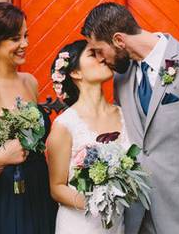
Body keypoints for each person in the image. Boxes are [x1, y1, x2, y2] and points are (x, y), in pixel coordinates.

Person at [81, 2, 179, 234]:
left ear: (119, 40)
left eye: (99, 50)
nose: (100, 59)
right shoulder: (121, 80)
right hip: (138, 219)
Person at [0, 2, 57, 234]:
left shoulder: (30, 82)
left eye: (25, 36)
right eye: (15, 39)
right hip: (5, 197)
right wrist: (1, 158)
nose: (25, 44)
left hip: (38, 187)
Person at [47, 39, 131, 233]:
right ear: (75, 73)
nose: (103, 58)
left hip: (118, 225)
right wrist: (97, 202)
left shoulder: (125, 115)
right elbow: (57, 188)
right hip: (80, 225)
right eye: (93, 54)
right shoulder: (65, 125)